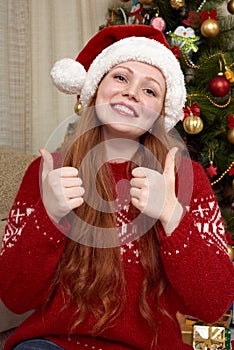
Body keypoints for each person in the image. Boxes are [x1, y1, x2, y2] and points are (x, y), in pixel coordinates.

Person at [0, 24, 234, 350]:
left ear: (160, 114)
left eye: (150, 90)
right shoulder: (47, 172)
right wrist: (48, 216)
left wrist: (171, 214)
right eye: (121, 78)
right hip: (56, 344)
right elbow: (14, 297)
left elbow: (214, 305)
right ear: (96, 89)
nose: (132, 92)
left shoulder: (184, 178)